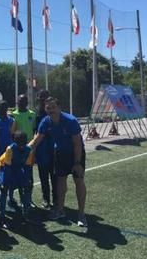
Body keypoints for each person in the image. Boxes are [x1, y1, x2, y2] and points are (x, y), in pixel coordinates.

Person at [29, 97, 88, 227]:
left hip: (76, 153)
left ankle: (81, 214)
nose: (51, 110)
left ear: (59, 107)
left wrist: (77, 163)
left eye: (53, 107)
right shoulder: (45, 122)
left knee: (79, 181)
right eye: (48, 108)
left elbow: (77, 144)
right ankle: (60, 210)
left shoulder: (70, 121)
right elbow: (37, 140)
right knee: (60, 181)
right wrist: (21, 149)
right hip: (61, 154)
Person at [0, 131, 33, 227]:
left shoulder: (29, 150)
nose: (21, 145)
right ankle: (2, 217)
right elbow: (7, 168)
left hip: (16, 167)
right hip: (3, 166)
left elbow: (27, 167)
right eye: (19, 142)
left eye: (23, 142)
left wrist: (27, 180)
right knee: (4, 189)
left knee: (26, 186)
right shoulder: (10, 149)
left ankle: (26, 212)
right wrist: (5, 183)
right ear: (14, 141)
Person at [11, 94, 36, 208]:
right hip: (16, 150)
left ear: (27, 102)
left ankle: (28, 199)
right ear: (17, 102)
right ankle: (17, 199)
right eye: (20, 101)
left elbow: (35, 132)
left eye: (24, 101)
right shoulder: (12, 115)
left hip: (29, 150)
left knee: (29, 176)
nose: (22, 102)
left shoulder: (32, 114)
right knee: (17, 175)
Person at [35, 90, 57, 209]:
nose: (43, 99)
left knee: (54, 176)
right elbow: (35, 132)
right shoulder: (36, 113)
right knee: (43, 176)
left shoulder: (55, 111)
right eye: (41, 97)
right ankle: (46, 199)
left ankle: (56, 199)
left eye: (45, 97)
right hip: (41, 149)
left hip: (53, 149)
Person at [0, 100, 16, 207]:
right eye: (0, 107)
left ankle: (11, 197)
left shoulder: (12, 121)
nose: (2, 109)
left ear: (7, 108)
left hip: (9, 153)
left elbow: (13, 137)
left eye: (4, 107)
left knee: (10, 175)